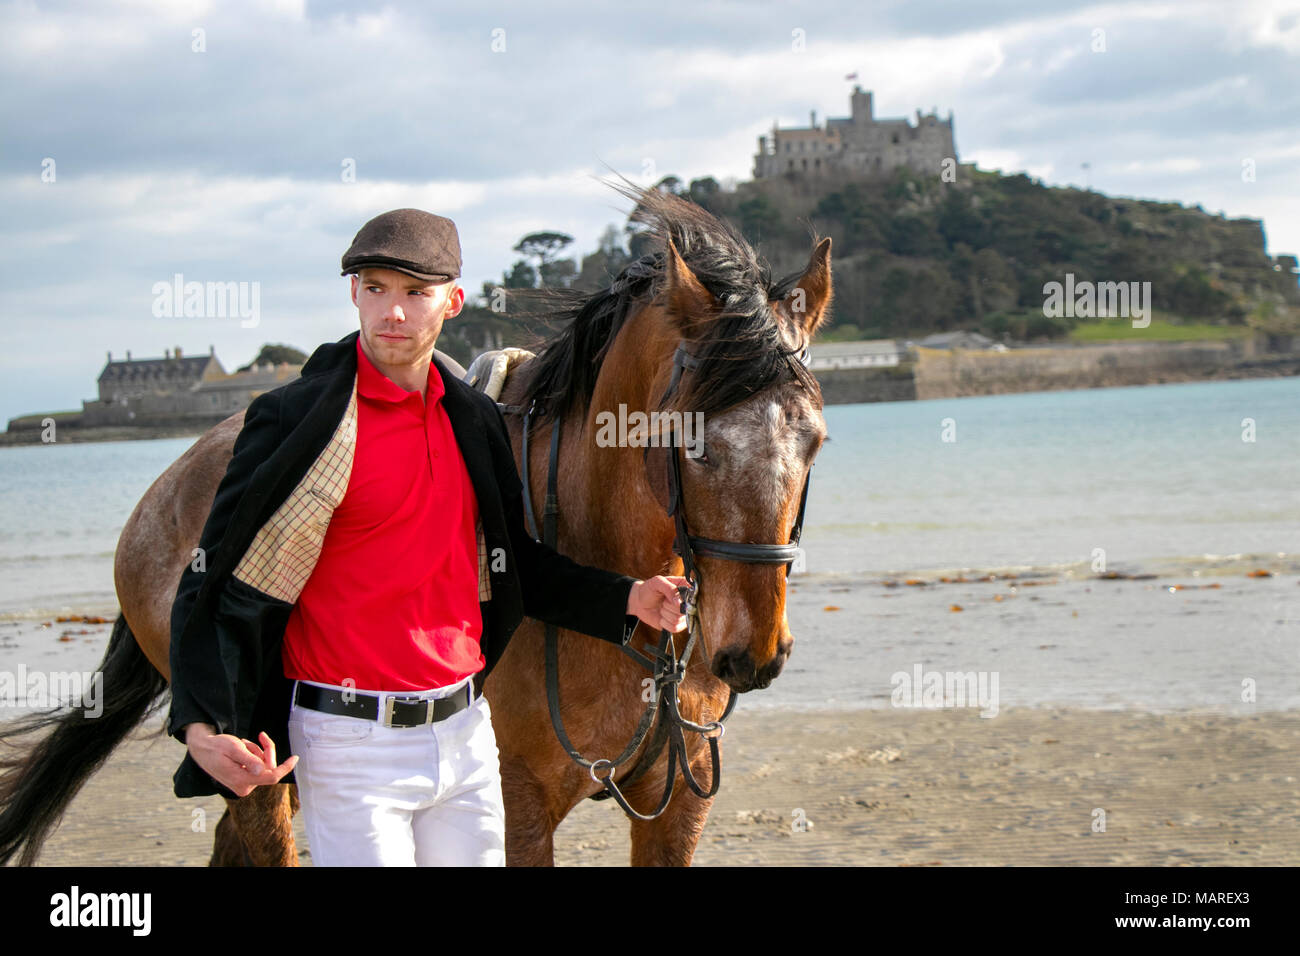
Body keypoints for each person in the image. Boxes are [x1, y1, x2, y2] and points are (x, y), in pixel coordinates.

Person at [166, 208, 689, 866]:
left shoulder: (473, 418)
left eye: (416, 293)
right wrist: (201, 725)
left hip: (466, 736)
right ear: (354, 292)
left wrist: (628, 599)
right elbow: (213, 578)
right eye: (376, 288)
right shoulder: (296, 419)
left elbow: (514, 565)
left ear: (452, 302)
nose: (393, 312)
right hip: (348, 742)